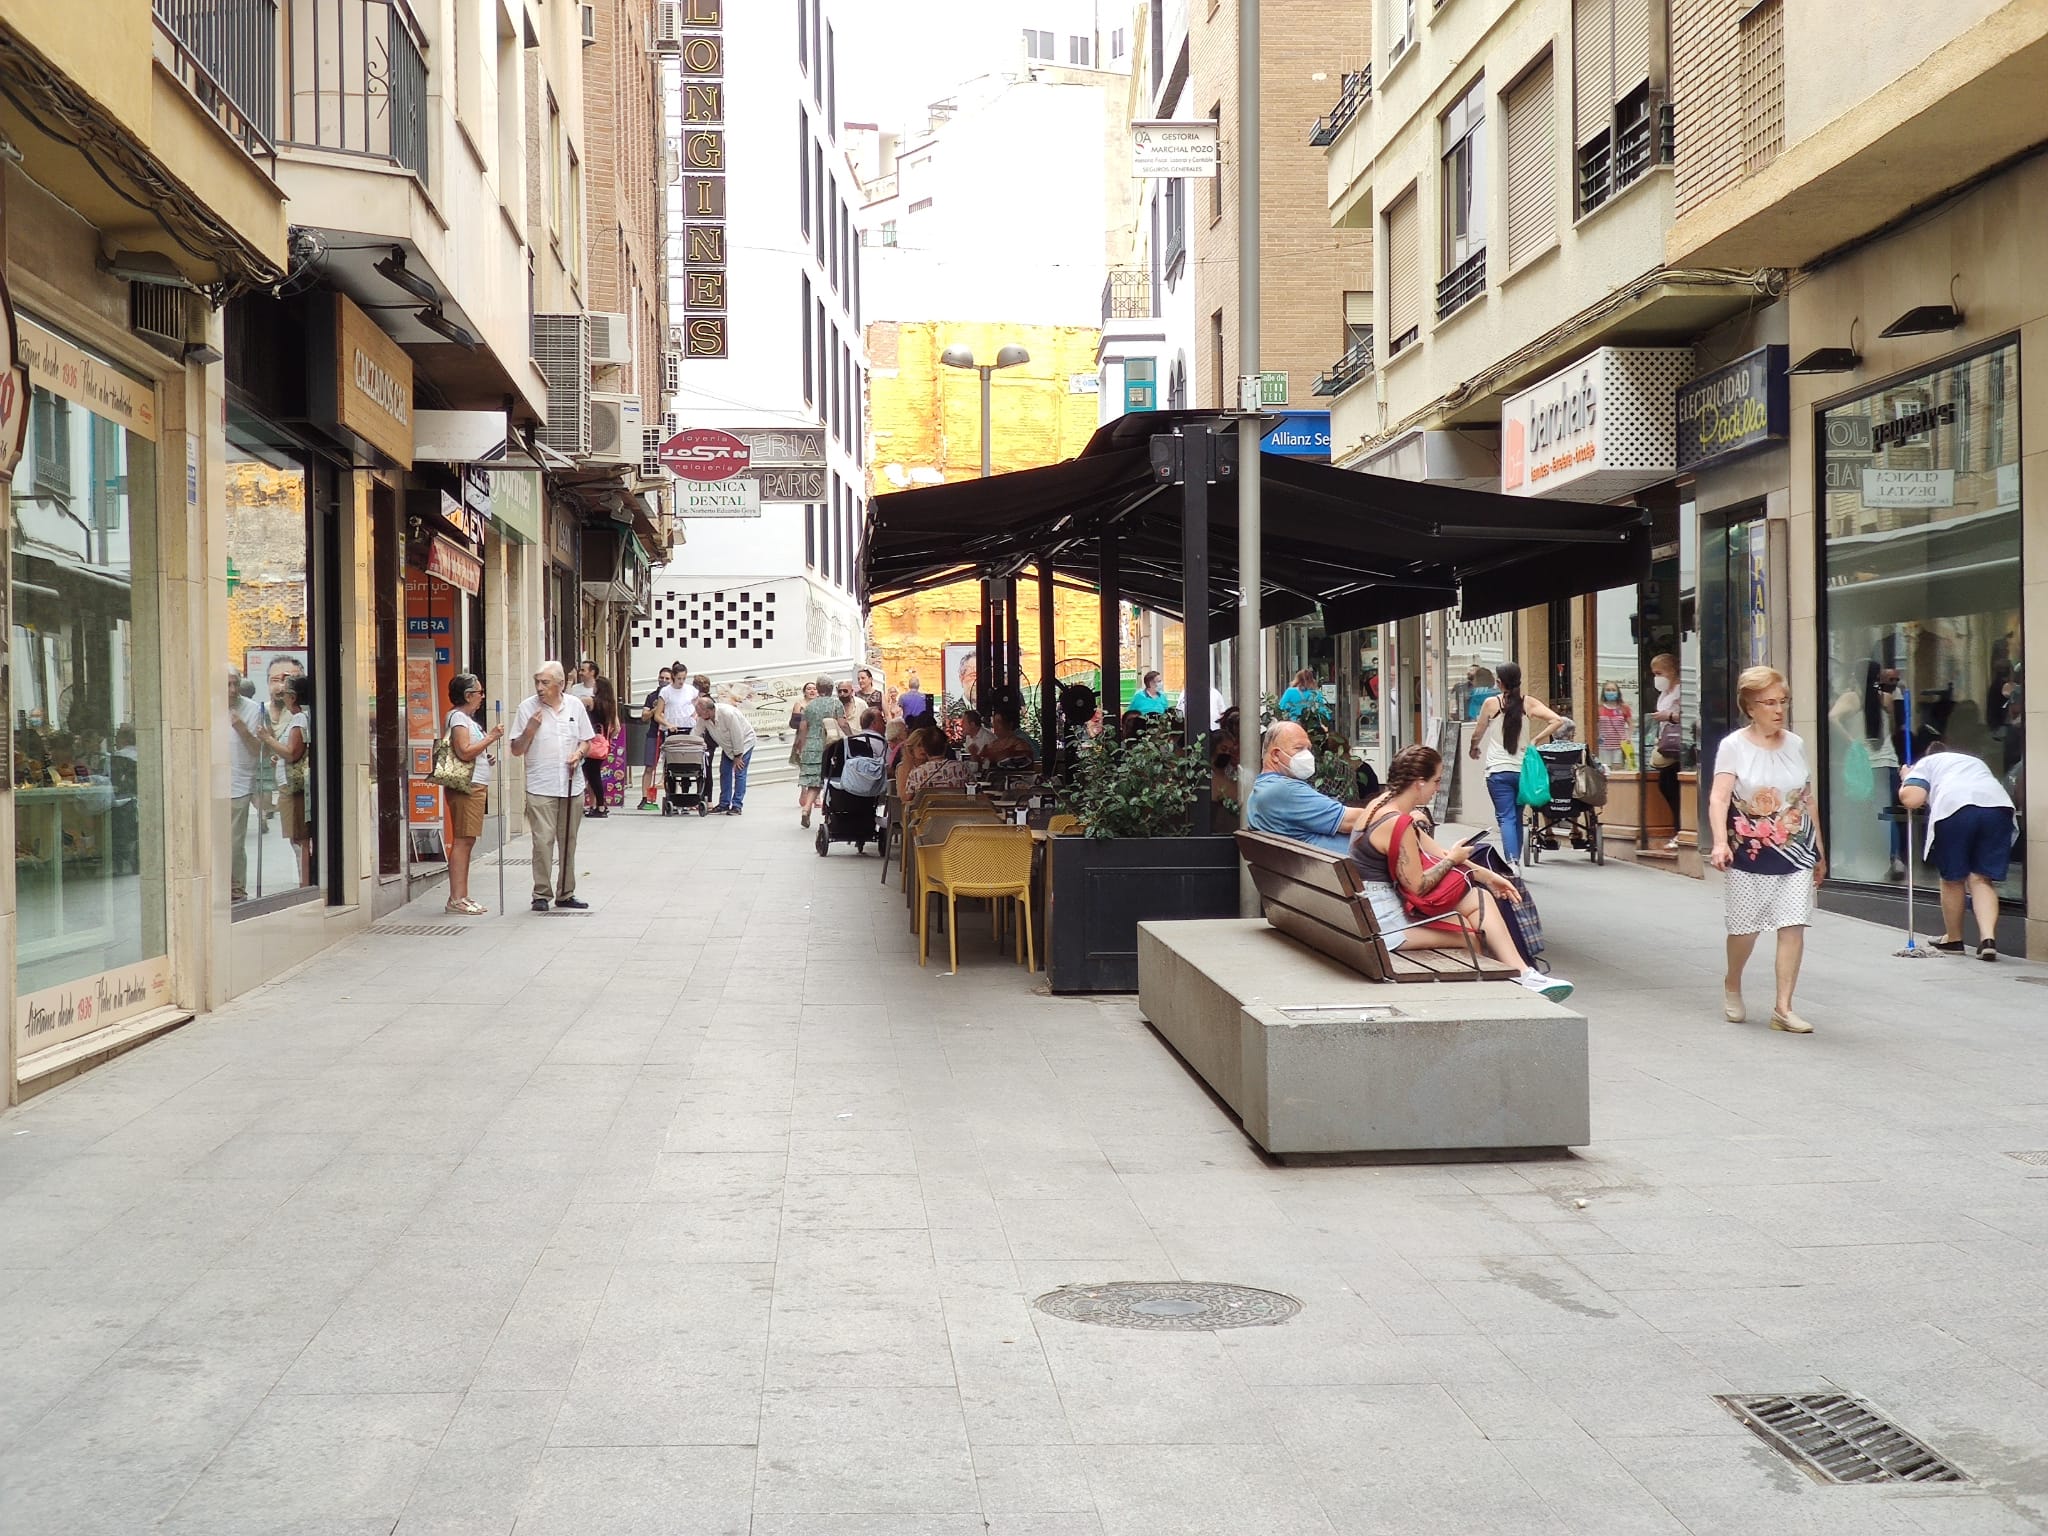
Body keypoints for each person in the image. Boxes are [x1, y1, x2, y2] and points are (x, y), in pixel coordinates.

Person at [1349, 745, 1573, 1001]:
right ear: (1419, 783)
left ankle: (1523, 974)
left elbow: (1439, 852)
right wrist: (1454, 860)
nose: (1437, 788)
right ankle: (1505, 989)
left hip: (1372, 913)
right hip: (1386, 925)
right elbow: (1418, 886)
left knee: (1479, 898)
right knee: (1471, 935)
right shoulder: (1396, 823)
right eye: (1436, 781)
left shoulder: (1382, 805)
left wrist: (1486, 875)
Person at [1709, 665, 1825, 1033]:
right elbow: (1719, 797)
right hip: (1750, 851)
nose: (1779, 710)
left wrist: (1820, 849)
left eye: (1783, 702)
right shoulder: (1733, 746)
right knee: (1745, 929)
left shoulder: (1796, 744)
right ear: (1750, 705)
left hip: (1796, 849)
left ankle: (1783, 1007)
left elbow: (1806, 799)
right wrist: (1719, 841)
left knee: (1793, 925)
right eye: (1770, 702)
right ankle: (1732, 981)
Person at [1898, 740, 2016, 961]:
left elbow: (1912, 800)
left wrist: (1906, 778)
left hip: (1956, 808)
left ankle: (1954, 938)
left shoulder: (1926, 763)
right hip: (1998, 807)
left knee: (1952, 879)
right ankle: (1987, 939)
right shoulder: (1974, 762)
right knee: (1981, 878)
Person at [511, 661, 599, 912]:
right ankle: (541, 893)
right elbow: (516, 750)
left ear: (560, 685)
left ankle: (565, 893)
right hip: (541, 785)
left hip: (572, 785)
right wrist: (529, 731)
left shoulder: (575, 706)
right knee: (542, 841)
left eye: (545, 682)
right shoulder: (527, 708)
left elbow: (587, 741)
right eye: (537, 682)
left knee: (568, 841)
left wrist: (578, 754)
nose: (539, 687)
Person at [1467, 661, 1562, 867]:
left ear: (1499, 683)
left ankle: (1512, 863)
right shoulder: (1528, 703)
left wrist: (1473, 748)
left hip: (1498, 772)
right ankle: (1515, 861)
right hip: (1521, 772)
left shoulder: (1491, 704)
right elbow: (1557, 720)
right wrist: (1536, 739)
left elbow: (1478, 733)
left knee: (1506, 818)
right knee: (1517, 817)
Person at [1828, 661, 1907, 880]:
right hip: (1887, 761)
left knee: (1852, 812)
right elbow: (1893, 728)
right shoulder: (1886, 698)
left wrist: (1852, 741)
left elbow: (1832, 717)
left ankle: (1849, 860)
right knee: (1886, 813)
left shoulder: (1852, 697)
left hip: (1864, 763)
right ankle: (1895, 859)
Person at [1244, 721, 1369, 855]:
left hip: (1314, 870)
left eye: (1308, 749)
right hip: (1348, 871)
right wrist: (1389, 808)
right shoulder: (1285, 791)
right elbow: (1352, 821)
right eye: (1299, 748)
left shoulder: (1264, 788)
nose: (1307, 756)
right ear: (1275, 755)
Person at [443, 673, 503, 914]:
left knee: (467, 840)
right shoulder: (459, 718)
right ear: (468, 695)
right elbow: (464, 751)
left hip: (475, 783)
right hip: (467, 785)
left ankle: (462, 894)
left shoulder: (467, 719)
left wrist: (483, 754)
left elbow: (470, 751)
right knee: (462, 840)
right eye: (479, 692)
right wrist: (490, 738)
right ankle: (456, 897)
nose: (482, 697)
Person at [258, 672, 314, 888]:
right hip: (289, 784)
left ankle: (305, 883)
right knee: (297, 837)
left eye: (287, 694)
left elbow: (292, 752)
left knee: (299, 838)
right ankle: (304, 881)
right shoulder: (301, 718)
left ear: (293, 697)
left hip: (293, 786)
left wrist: (268, 739)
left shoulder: (299, 718)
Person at [226, 668, 266, 902]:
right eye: (227, 685)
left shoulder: (252, 710)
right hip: (210, 786)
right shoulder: (207, 706)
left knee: (234, 843)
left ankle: (237, 889)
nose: (232, 690)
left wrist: (241, 728)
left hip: (239, 784)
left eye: (236, 684)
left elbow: (258, 750)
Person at [695, 693, 759, 815]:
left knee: (739, 773)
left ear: (708, 711)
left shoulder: (728, 714)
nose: (698, 716)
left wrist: (738, 756)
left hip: (744, 743)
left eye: (700, 713)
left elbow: (737, 735)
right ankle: (724, 804)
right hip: (728, 746)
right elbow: (696, 732)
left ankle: (737, 805)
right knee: (725, 772)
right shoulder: (704, 718)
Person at [796, 673, 842, 828]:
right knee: (833, 778)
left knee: (814, 782)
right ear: (831, 688)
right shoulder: (836, 704)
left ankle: (806, 808)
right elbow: (842, 724)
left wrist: (801, 746)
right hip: (829, 745)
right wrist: (850, 737)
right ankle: (833, 811)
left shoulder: (810, 706)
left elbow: (803, 727)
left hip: (811, 745)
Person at [1649, 653, 1684, 851]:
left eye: (1659, 673)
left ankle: (1681, 830)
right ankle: (1678, 829)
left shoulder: (1681, 691)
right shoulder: (1664, 693)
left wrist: (1669, 716)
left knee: (1671, 785)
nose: (1656, 678)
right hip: (1666, 745)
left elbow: (1692, 715)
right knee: (1667, 785)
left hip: (1680, 746)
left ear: (1671, 670)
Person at [582, 670, 618, 818]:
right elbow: (616, 728)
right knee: (594, 774)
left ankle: (601, 806)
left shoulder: (592, 701)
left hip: (593, 743)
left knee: (592, 775)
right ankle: (600, 805)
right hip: (603, 743)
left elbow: (574, 702)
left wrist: (570, 684)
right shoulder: (610, 705)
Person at [906, 725, 976, 795]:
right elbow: (974, 789)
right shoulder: (962, 768)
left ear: (925, 748)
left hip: (929, 806)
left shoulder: (916, 774)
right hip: (958, 805)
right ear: (946, 746)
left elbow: (909, 798)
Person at [639, 666, 673, 809]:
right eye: (661, 678)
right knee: (649, 767)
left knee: (671, 768)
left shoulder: (673, 696)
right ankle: (645, 798)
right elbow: (644, 717)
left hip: (669, 734)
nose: (663, 681)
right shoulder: (652, 696)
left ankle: (672, 796)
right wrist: (655, 709)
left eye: (667, 678)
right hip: (654, 734)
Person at [1596, 680, 1633, 766]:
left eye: (1613, 690)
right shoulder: (1599, 708)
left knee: (1618, 769)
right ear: (1603, 692)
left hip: (1619, 746)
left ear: (1618, 692)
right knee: (1605, 770)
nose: (1611, 692)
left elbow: (1631, 724)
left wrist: (1628, 737)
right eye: (1608, 690)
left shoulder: (1624, 707)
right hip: (1603, 746)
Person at [788, 680, 817, 773]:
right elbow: (793, 723)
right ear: (804, 692)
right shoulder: (799, 704)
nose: (812, 691)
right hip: (803, 737)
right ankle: (804, 787)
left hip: (817, 737)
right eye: (809, 689)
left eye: (814, 689)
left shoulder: (821, 704)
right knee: (804, 766)